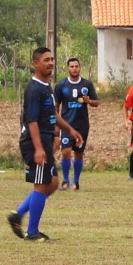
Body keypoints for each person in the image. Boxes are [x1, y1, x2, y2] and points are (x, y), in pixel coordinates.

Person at [7, 47, 60, 243]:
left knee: (52, 183)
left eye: (52, 59)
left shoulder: (46, 86)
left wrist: (69, 130)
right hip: (34, 142)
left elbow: (53, 115)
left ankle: (18, 214)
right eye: (46, 59)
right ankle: (32, 232)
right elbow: (32, 122)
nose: (50, 63)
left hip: (45, 141)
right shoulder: (33, 89)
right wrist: (38, 149)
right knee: (41, 185)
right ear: (35, 63)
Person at [54, 57, 99, 190]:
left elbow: (96, 103)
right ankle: (66, 181)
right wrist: (56, 123)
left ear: (80, 68)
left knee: (79, 153)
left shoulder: (87, 85)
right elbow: (55, 104)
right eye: (72, 66)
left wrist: (89, 101)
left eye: (76, 66)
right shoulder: (61, 85)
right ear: (68, 68)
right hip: (66, 125)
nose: (74, 69)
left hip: (82, 125)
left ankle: (76, 182)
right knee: (66, 152)